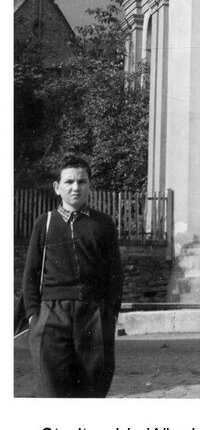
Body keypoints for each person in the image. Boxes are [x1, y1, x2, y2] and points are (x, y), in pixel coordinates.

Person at [22, 154, 123, 398]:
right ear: (57, 187)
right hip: (52, 314)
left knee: (92, 390)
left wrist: (109, 315)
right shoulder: (44, 223)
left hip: (93, 314)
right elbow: (30, 274)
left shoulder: (103, 223)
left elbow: (115, 275)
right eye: (68, 182)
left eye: (82, 181)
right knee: (54, 391)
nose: (75, 187)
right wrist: (35, 316)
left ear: (89, 185)